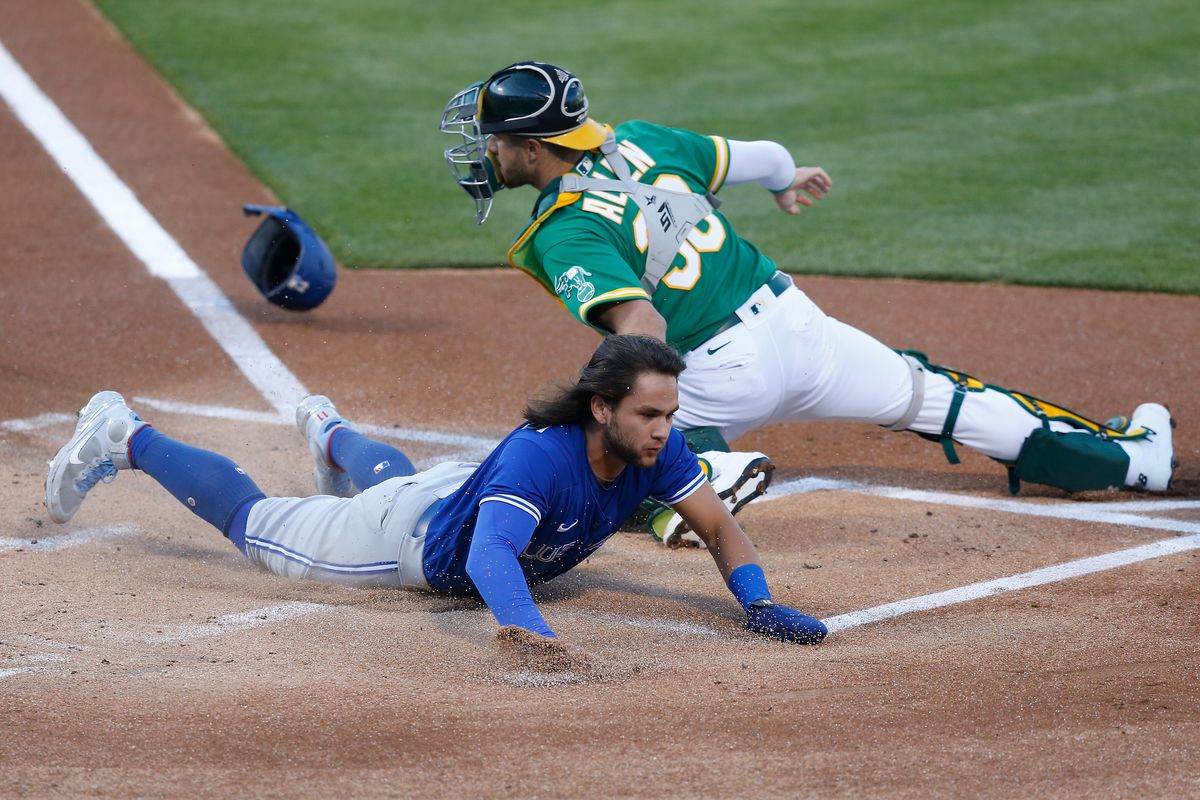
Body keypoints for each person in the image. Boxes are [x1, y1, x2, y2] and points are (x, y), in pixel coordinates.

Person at [438, 61, 1177, 541]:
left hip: (721, 376)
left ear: (533, 148)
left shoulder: (563, 233)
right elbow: (763, 159)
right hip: (804, 330)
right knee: (941, 399)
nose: (487, 151)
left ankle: (693, 482)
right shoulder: (643, 140)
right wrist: (789, 183)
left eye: (495, 139)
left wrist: (610, 411)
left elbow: (643, 325)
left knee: (590, 438)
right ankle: (1128, 463)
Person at [43, 335, 827, 647]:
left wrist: (757, 603)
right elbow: (490, 555)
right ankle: (124, 435)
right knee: (255, 524)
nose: (663, 432)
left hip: (453, 495)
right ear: (602, 408)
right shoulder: (541, 461)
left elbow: (721, 529)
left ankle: (329, 436)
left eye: (670, 417)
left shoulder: (658, 449)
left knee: (409, 480)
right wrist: (529, 633)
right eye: (648, 415)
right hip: (404, 543)